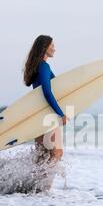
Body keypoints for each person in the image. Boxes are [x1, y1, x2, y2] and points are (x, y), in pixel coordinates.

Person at [23, 35, 69, 187]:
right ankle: (44, 188)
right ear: (45, 47)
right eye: (52, 45)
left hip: (38, 115)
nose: (54, 48)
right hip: (46, 115)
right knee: (56, 153)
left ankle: (34, 187)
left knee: (41, 156)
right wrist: (60, 113)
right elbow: (47, 92)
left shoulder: (37, 66)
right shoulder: (43, 66)